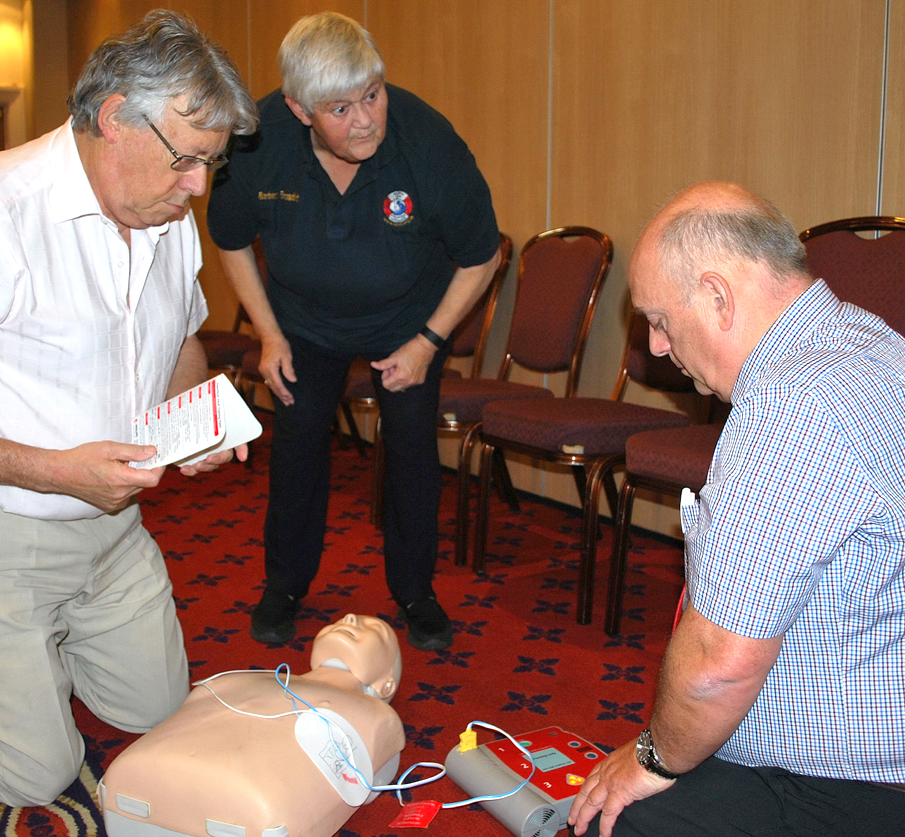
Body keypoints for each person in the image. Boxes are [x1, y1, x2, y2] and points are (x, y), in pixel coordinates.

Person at [0, 11, 258, 807]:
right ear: (113, 120)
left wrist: (188, 413)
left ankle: (20, 661)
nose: (199, 187)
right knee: (34, 769)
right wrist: (53, 471)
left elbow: (179, 342)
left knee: (157, 709)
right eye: (188, 160)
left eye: (212, 164)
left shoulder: (163, 213)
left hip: (111, 529)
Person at [568, 181, 905, 837]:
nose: (657, 346)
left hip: (853, 783)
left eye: (660, 321)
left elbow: (719, 665)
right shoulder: (875, 343)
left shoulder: (789, 403)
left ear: (719, 297)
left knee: (616, 821)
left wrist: (652, 757)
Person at [207, 12, 501, 652]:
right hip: (302, 323)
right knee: (298, 447)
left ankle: (416, 592)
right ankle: (283, 587)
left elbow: (483, 254)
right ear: (299, 108)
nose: (365, 118)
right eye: (340, 108)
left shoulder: (427, 143)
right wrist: (269, 335)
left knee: (412, 451)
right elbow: (229, 240)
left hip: (408, 321)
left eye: (373, 94)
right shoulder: (258, 141)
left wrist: (427, 341)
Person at [99, 613, 405, 837]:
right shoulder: (241, 678)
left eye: (374, 629)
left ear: (387, 684)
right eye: (341, 620)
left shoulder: (377, 717)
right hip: (150, 778)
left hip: (250, 805)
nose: (350, 617)